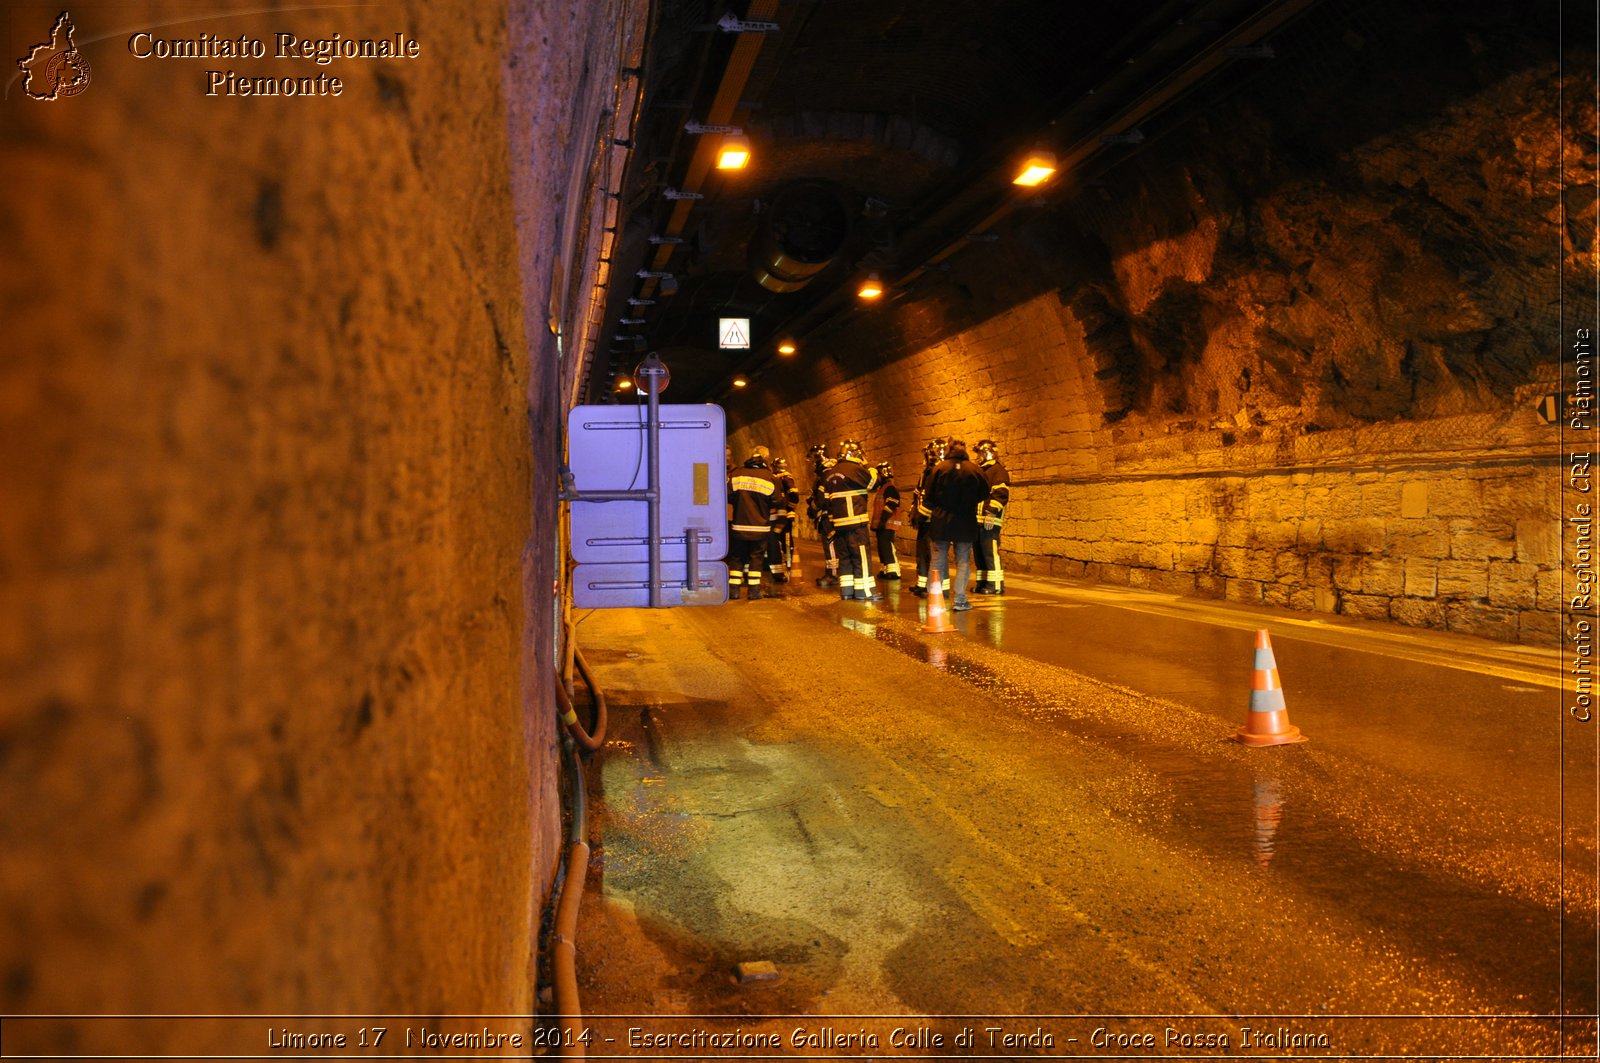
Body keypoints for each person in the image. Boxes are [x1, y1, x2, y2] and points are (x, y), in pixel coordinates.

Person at [924, 438, 989, 612]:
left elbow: (928, 496)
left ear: (950, 450)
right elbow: (985, 492)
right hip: (966, 522)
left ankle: (934, 599)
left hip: (941, 521)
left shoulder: (939, 468)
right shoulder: (975, 470)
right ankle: (959, 600)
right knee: (963, 561)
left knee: (937, 561)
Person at [823, 438, 880, 601]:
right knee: (860, 556)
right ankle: (865, 592)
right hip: (856, 523)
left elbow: (827, 501)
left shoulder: (830, 473)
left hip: (839, 524)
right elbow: (874, 483)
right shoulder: (855, 469)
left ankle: (846, 591)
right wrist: (868, 465)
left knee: (845, 557)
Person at [727, 446, 780, 600]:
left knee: (737, 557)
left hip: (739, 525)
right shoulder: (770, 478)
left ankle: (734, 590)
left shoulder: (737, 474)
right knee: (756, 557)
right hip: (760, 527)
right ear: (765, 459)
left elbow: (728, 495)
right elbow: (776, 500)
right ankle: (754, 590)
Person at [973, 438, 1011, 595]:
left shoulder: (998, 471)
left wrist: (989, 515)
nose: (977, 457)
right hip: (978, 521)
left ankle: (995, 585)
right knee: (980, 554)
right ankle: (983, 583)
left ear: (987, 453)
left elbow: (1001, 495)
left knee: (990, 553)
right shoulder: (982, 471)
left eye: (979, 453)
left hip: (990, 520)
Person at [910, 438, 945, 598]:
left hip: (934, 521)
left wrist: (922, 514)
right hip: (924, 520)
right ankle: (922, 584)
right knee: (923, 553)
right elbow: (919, 494)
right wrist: (914, 512)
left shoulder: (940, 472)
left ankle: (939, 587)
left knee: (933, 555)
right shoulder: (926, 473)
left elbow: (934, 498)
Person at [806, 443, 840, 588]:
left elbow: (821, 500)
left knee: (830, 545)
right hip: (833, 515)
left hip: (828, 516)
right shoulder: (833, 473)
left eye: (814, 461)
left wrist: (812, 508)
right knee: (834, 545)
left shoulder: (826, 475)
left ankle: (833, 574)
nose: (813, 466)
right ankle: (834, 572)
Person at [767, 457, 800, 582]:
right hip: (779, 513)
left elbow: (794, 495)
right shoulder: (775, 477)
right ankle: (781, 563)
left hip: (784, 514)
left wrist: (789, 509)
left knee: (786, 540)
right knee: (777, 540)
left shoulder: (785, 478)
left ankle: (789, 563)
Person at [869, 461, 903, 581]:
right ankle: (885, 568)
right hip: (882, 524)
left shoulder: (890, 488)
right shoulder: (882, 489)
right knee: (882, 547)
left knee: (887, 546)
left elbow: (891, 505)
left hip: (888, 524)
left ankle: (894, 571)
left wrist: (883, 520)